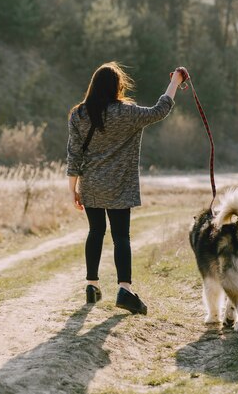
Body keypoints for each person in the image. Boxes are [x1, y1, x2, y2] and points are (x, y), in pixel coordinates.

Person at [66, 62, 185, 314]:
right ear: (117, 86)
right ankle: (125, 289)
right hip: (120, 185)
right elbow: (160, 110)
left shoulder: (78, 115)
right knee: (121, 237)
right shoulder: (127, 113)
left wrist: (73, 189)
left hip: (91, 184)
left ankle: (91, 285)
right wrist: (175, 81)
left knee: (95, 232)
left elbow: (73, 154)